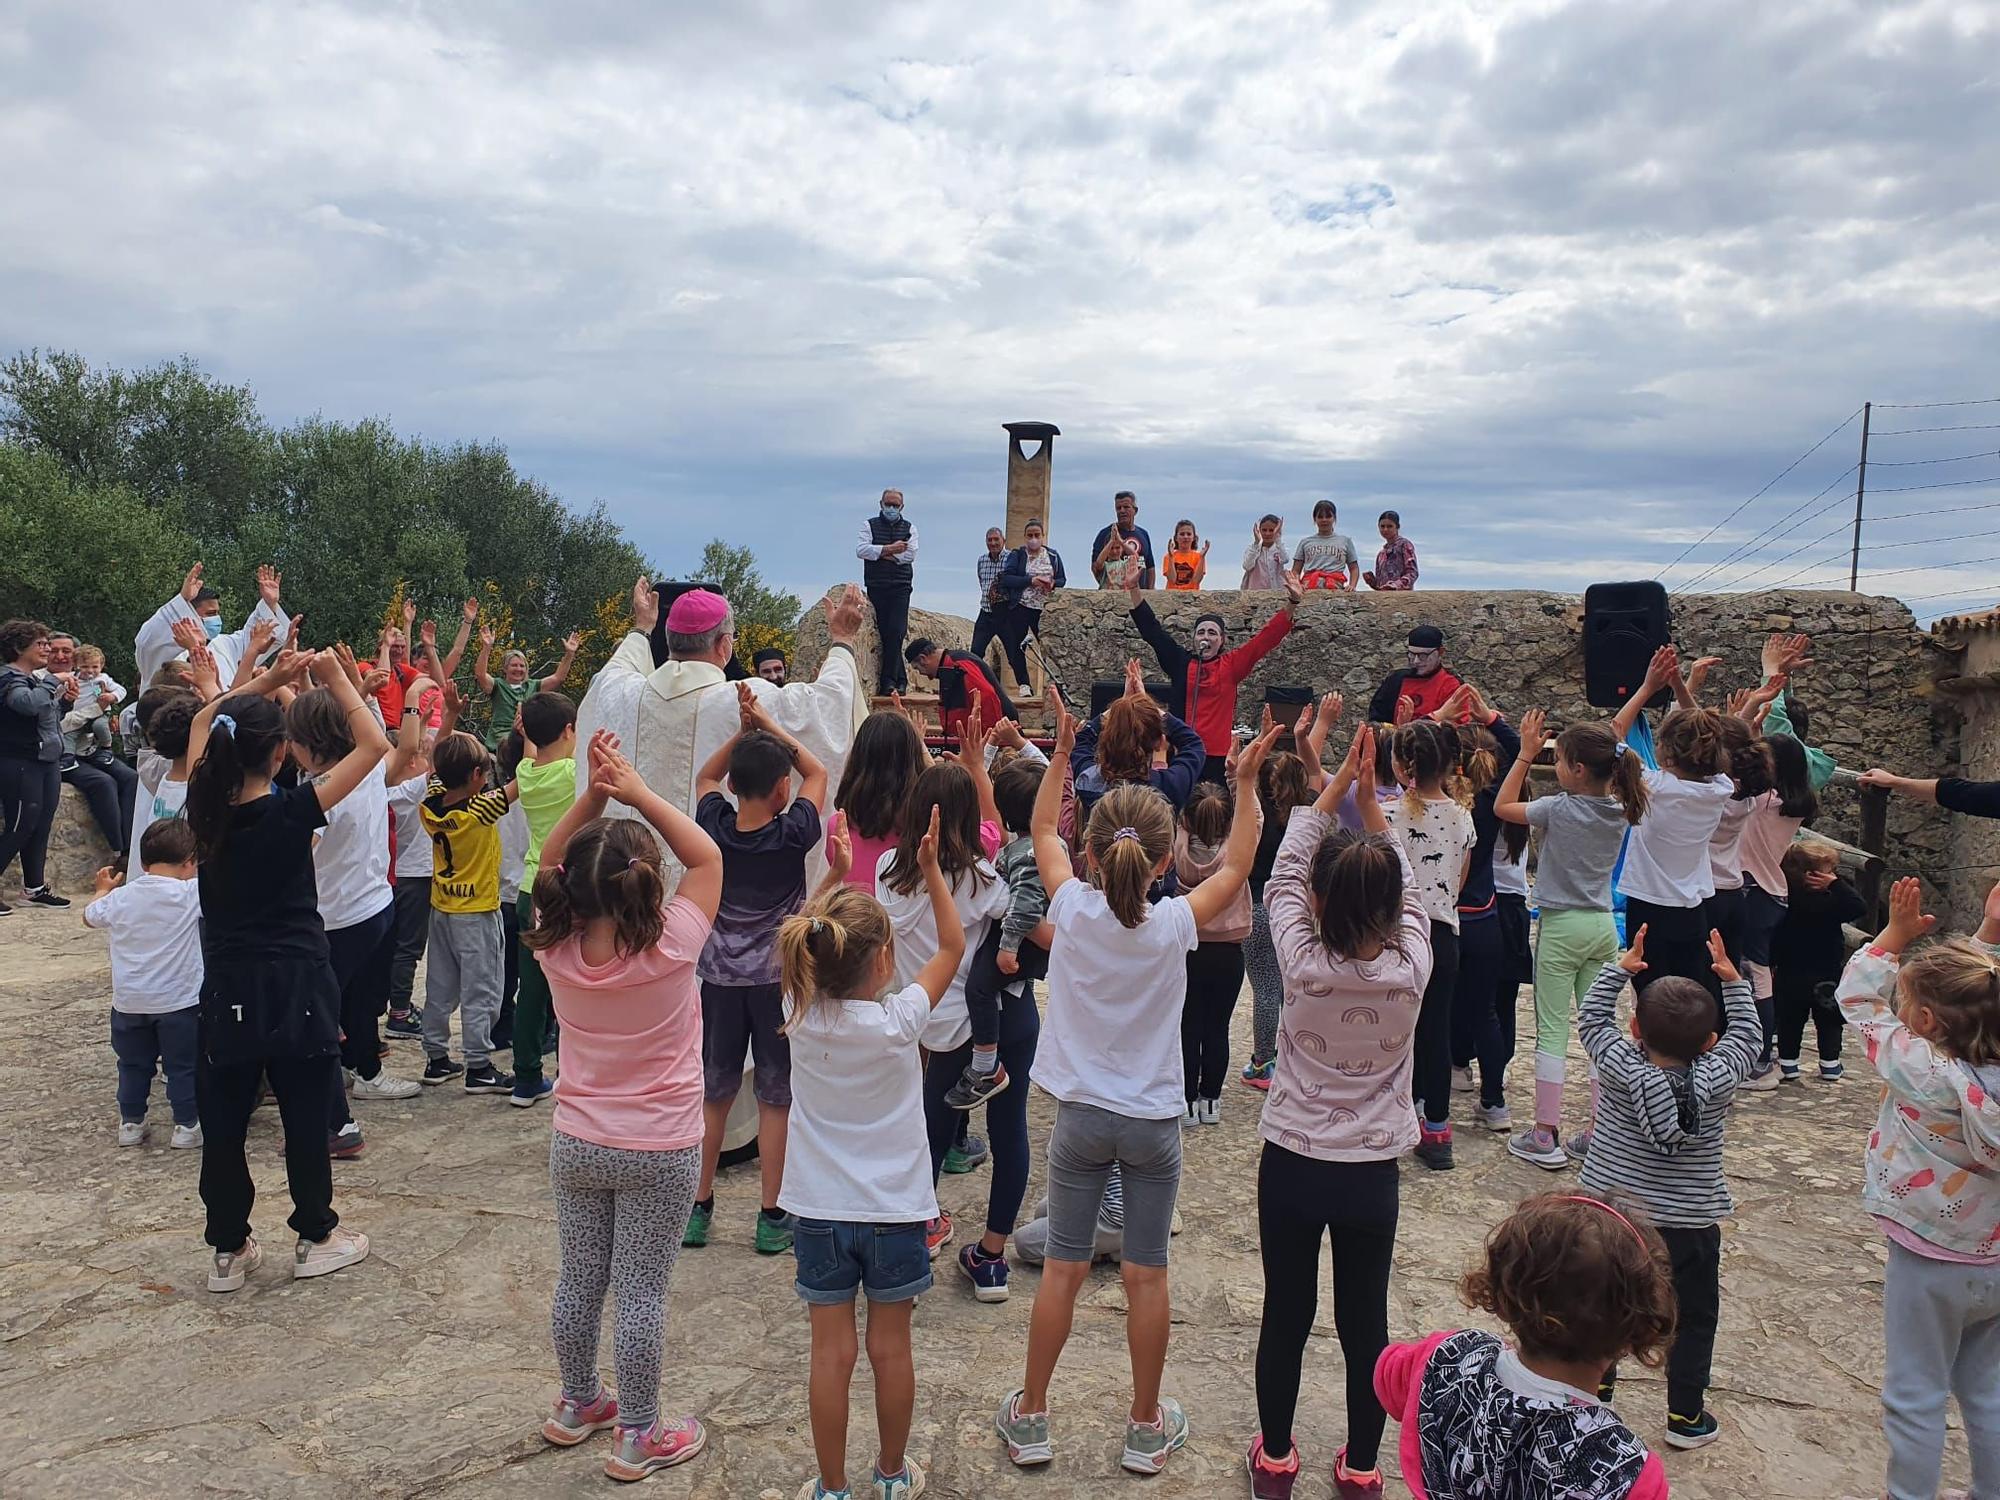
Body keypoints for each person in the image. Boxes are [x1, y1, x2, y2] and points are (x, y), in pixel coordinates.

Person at [994, 704, 1276, 1478]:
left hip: (1082, 1115)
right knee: (1148, 1274)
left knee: (1063, 1269)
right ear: (1162, 863)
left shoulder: (1073, 911)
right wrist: (1244, 785)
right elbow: (1239, 867)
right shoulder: (1174, 924)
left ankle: (1033, 1415)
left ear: (1092, 852)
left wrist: (1058, 751)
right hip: (1152, 1120)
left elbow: (1042, 833)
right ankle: (1145, 1426)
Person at [526, 730, 722, 1481]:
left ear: (571, 890)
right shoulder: (673, 943)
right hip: (661, 1146)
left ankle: (580, 1403)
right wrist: (637, 791)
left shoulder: (554, 946)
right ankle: (640, 1433)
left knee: (579, 1279)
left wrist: (594, 797)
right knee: (642, 1291)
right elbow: (707, 858)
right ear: (646, 884)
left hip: (577, 1139)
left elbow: (548, 860)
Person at [1245, 722, 1430, 1500]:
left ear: (1321, 902)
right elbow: (1413, 886)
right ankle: (1360, 1466)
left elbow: (1285, 873)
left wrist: (1332, 794)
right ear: (1391, 907)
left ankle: (1277, 1459)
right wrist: (1372, 806)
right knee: (1364, 1322)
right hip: (1370, 1174)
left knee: (1286, 1312)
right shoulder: (1410, 968)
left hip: (1292, 1160)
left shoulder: (1301, 960)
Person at [778, 805, 960, 1500]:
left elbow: (805, 933)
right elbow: (949, 947)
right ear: (884, 960)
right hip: (895, 1211)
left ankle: (830, 1487)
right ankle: (889, 1475)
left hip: (819, 1210)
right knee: (891, 1349)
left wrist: (831, 870)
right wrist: (935, 871)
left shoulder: (798, 1015)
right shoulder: (897, 1021)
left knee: (832, 1353)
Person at [185, 647, 381, 1293]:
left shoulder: (203, 811)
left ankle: (228, 1248)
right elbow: (374, 743)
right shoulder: (294, 811)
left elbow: (199, 726)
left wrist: (263, 681)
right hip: (296, 978)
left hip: (228, 982)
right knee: (304, 1116)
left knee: (225, 1121)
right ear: (280, 753)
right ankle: (316, 1235)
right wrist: (333, 680)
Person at [1836, 878, 2000, 1500]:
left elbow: (1858, 999)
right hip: (1995, 1255)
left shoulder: (1922, 1070)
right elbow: (1986, 993)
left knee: (1915, 1393)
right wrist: (1989, 936)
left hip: (1930, 1256)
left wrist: (1895, 937)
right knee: (1986, 1389)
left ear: (1927, 1021)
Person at [1581, 926, 1760, 1451]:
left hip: (1615, 1220)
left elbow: (1592, 1020)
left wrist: (1620, 968)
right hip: (1690, 1226)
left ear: (1635, 1027)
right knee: (1694, 1318)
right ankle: (1685, 1415)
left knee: (1604, 1301)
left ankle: (1597, 1386)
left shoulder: (1617, 1067)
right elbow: (1748, 1038)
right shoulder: (1722, 1074)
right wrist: (1732, 982)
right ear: (1710, 1042)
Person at [1375, 1194, 1675, 1499]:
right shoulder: (1625, 1471)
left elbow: (1388, 1374)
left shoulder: (1452, 1356)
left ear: (1504, 1296)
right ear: (1633, 1333)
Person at [574, 582, 867, 894]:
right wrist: (843, 642)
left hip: (623, 893)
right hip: (716, 903)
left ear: (670, 640)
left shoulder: (623, 694)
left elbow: (613, 672)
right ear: (725, 645)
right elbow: (829, 707)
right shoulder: (749, 701)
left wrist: (641, 628)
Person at [685, 683, 828, 1255]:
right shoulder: (792, 833)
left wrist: (742, 734)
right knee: (776, 1097)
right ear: (781, 789)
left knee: (714, 1091)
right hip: (777, 980)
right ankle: (772, 1216)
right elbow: (817, 773)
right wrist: (768, 725)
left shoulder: (713, 826)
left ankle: (697, 1208)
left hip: (718, 977)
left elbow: (704, 779)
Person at [1494, 710, 1649, 1169]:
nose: (1555, 767)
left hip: (1562, 926)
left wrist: (1523, 756)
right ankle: (1601, 1132)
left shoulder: (1557, 809)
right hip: (1602, 926)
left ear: (1578, 769)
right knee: (1601, 1029)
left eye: (1558, 761)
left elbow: (1504, 807)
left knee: (1553, 1030)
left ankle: (1545, 1133)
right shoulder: (1623, 808)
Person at [879, 738, 1010, 1260]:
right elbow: (1000, 838)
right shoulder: (980, 879)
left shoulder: (889, 866)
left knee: (905, 1117)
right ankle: (922, 1216)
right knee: (935, 1123)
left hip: (908, 1008)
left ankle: (907, 1208)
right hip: (958, 1017)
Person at [288, 674, 429, 1159]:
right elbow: (401, 743)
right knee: (354, 1004)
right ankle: (363, 1070)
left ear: (306, 746)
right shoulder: (366, 767)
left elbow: (293, 862)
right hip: (374, 906)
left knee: (316, 1022)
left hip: (334, 918)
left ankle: (335, 1125)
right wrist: (333, 682)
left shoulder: (318, 797)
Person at [1380, 719, 1475, 1171]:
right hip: (1444, 934)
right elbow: (1460, 877)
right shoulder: (1462, 816)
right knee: (1435, 1032)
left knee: (1393, 1032)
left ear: (1402, 765)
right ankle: (1437, 1130)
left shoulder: (1392, 814)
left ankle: (1391, 1122)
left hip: (1399, 935)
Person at [1613, 649, 1735, 1000]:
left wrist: (1648, 687)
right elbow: (1702, 727)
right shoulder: (1719, 789)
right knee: (1689, 991)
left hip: (1648, 905)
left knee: (1650, 994)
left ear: (1664, 754)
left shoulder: (1653, 787)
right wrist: (1680, 685)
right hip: (1693, 909)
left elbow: (1616, 732)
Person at [87, 819, 204, 1150]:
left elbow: (90, 915)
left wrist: (101, 889)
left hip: (128, 1003)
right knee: (181, 1066)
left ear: (142, 863)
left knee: (133, 1065)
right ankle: (185, 1126)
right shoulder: (190, 893)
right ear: (190, 862)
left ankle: (131, 1123)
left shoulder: (121, 898)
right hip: (178, 1002)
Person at [945, 755, 1051, 1118]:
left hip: (1018, 944)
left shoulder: (1026, 853)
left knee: (979, 986)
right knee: (1010, 1121)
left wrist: (1006, 947)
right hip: (1022, 951)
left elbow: (1023, 906)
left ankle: (985, 1063)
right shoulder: (1035, 846)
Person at [1123, 568, 1301, 781]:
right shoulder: (1180, 662)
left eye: (1212, 632)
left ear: (1221, 640)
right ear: (1194, 639)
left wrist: (1292, 602)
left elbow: (1264, 640)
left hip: (1216, 757)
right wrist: (1134, 588)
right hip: (1182, 753)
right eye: (1201, 632)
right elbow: (1153, 631)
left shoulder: (1232, 665)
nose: (1206, 636)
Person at [418, 731, 519, 1094]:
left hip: (441, 908)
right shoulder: (480, 810)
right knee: (482, 990)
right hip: (476, 912)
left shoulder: (430, 804)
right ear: (477, 775)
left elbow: (435, 768)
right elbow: (521, 783)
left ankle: (436, 1057)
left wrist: (447, 721)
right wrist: (527, 739)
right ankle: (479, 1065)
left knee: (439, 987)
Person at [1446, 693, 1522, 1131]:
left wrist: (1437, 720)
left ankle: (1427, 1103)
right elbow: (1519, 754)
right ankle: (1494, 1103)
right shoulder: (1494, 802)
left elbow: (1412, 750)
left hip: (1445, 920)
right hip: (1485, 918)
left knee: (1435, 1014)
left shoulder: (1439, 802)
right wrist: (1493, 718)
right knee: (1485, 1013)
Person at [1735, 729, 1819, 1087]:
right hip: (1772, 891)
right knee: (1759, 974)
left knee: (1754, 977)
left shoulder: (1763, 801)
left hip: (1752, 891)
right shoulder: (1793, 804)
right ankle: (1760, 1055)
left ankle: (1760, 1062)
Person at [510, 691, 579, 1105]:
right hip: (566, 888)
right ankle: (569, 1073)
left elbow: (535, 750)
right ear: (570, 730)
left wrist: (530, 732)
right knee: (573, 986)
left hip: (528, 889)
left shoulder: (526, 773)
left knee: (531, 990)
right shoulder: (573, 774)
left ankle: (525, 1077)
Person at [1174, 780, 1250, 1126]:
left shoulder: (1180, 849)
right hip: (1229, 951)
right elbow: (1255, 819)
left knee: (1188, 1026)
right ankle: (1211, 1099)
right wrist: (1240, 779)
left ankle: (1187, 1099)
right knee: (1217, 1026)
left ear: (1185, 821)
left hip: (1190, 947)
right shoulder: (1234, 855)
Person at [1771, 841, 1864, 1081]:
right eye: (1829, 871)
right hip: (1826, 971)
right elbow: (1858, 906)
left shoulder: (1786, 897)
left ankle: (1788, 1063)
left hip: (1790, 969)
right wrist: (1836, 885)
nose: (1833, 875)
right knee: (1829, 1018)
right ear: (1813, 875)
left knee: (1790, 1018)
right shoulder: (1831, 901)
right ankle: (1830, 1063)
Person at [44, 631, 140, 857]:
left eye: (66, 651)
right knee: (103, 782)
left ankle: (132, 844)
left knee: (131, 778)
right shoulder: (43, 680)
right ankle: (120, 849)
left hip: (89, 747)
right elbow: (57, 722)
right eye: (54, 650)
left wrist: (105, 708)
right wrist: (94, 711)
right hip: (63, 751)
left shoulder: (92, 680)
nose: (60, 656)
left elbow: (105, 699)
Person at [133, 560, 293, 689]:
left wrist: (269, 603)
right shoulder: (163, 653)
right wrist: (182, 600)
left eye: (217, 613)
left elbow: (257, 641)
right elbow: (145, 642)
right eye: (210, 614)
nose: (216, 619)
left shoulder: (225, 645)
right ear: (190, 613)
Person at [1071, 674, 1208, 823]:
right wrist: (1152, 708)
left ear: (1106, 738)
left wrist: (1121, 709)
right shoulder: (1168, 786)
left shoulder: (1089, 782)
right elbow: (1193, 744)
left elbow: (1081, 740)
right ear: (1158, 742)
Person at [0, 619, 70, 911]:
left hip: (46, 762)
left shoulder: (34, 680)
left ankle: (34, 889)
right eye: (40, 644)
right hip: (20, 763)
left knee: (40, 826)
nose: (47, 648)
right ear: (18, 648)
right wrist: (55, 682)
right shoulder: (8, 678)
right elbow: (26, 705)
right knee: (20, 825)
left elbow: (46, 716)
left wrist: (65, 701)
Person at [832, 710, 931, 894]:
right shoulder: (927, 827)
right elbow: (996, 837)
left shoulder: (838, 830)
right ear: (913, 762)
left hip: (861, 920)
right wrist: (921, 747)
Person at [473, 618, 581, 750]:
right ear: (505, 668)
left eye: (521, 666)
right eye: (514, 665)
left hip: (529, 738)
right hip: (502, 741)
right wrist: (486, 648)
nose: (518, 669)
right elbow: (480, 674)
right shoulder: (498, 686)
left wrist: (569, 654)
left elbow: (558, 678)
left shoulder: (533, 686)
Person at [857, 488, 918, 696]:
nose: (891, 508)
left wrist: (879, 552)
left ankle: (888, 682)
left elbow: (909, 555)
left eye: (895, 505)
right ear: (881, 503)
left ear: (902, 507)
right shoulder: (869, 525)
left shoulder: (910, 528)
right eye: (888, 504)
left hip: (901, 586)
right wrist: (891, 549)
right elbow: (862, 550)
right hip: (877, 585)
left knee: (897, 631)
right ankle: (899, 680)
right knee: (885, 633)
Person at [994, 518, 1066, 687]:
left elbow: (1062, 579)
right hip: (1021, 606)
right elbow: (1007, 579)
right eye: (1030, 535)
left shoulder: (1053, 556)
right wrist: (1031, 580)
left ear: (1042, 536)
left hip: (1044, 609)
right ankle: (1024, 685)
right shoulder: (1017, 555)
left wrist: (1052, 583)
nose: (1033, 538)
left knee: (1048, 646)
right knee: (1017, 647)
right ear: (1025, 537)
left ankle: (1053, 684)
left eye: (1037, 535)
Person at [903, 638, 1010, 742]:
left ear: (923, 659)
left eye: (917, 668)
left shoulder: (959, 665)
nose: (921, 673)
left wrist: (989, 740)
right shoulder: (947, 667)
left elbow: (986, 697)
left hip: (993, 737)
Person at [1366, 626, 1463, 725]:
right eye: (1412, 654)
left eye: (1423, 656)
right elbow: (1376, 720)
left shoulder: (1450, 685)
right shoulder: (1396, 680)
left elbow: (1456, 729)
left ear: (1440, 652)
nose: (1416, 661)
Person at [60, 644, 123, 753]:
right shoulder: (70, 679)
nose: (90, 671)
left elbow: (121, 690)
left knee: (100, 726)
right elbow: (59, 693)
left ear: (101, 666)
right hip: (78, 715)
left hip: (99, 714)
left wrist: (112, 696)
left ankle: (106, 748)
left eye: (95, 667)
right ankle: (68, 757)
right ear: (75, 665)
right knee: (68, 735)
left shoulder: (103, 679)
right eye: (84, 666)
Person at [1091, 491, 1155, 591]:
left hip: (1140, 594)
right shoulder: (1105, 534)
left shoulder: (1143, 534)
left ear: (1135, 510)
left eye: (1126, 507)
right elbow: (1096, 566)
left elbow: (1149, 566)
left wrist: (1150, 591)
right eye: (1118, 508)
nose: (1122, 511)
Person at [1291, 500, 1360, 591]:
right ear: (1314, 519)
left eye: (1328, 516)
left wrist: (1352, 585)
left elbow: (1354, 568)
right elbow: (1296, 570)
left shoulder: (1345, 541)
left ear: (1334, 518)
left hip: (1335, 586)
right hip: (1308, 587)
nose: (1324, 520)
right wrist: (1297, 584)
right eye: (1320, 517)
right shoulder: (1305, 542)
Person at [969, 526, 1010, 668]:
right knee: (975, 652)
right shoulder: (982, 560)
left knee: (1014, 654)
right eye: (989, 540)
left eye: (996, 539)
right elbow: (982, 582)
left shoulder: (1010, 559)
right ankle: (974, 684)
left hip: (1005, 614)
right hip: (986, 612)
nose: (993, 543)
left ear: (1003, 540)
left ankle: (1025, 687)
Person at [1362, 511, 1418, 591]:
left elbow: (1412, 573)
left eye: (1389, 526)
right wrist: (1372, 582)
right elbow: (1381, 587)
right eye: (1382, 526)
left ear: (1397, 527)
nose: (1385, 529)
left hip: (1403, 598)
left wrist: (1396, 585)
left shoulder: (1404, 545)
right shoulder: (1381, 554)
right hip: (1385, 600)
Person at [1241, 514, 1289, 590]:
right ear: (1259, 530)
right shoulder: (1252, 549)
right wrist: (1257, 542)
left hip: (1277, 591)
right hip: (1255, 593)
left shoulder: (1279, 548)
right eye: (1264, 530)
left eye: (1271, 530)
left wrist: (1278, 538)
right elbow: (1247, 566)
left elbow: (1285, 559)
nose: (1267, 533)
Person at [1162, 520, 1208, 591]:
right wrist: (1171, 557)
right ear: (1176, 538)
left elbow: (1196, 581)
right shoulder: (1168, 557)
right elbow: (1172, 580)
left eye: (1189, 534)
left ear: (1194, 538)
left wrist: (1202, 557)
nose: (1185, 537)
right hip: (1173, 595)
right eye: (1182, 534)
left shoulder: (1198, 557)